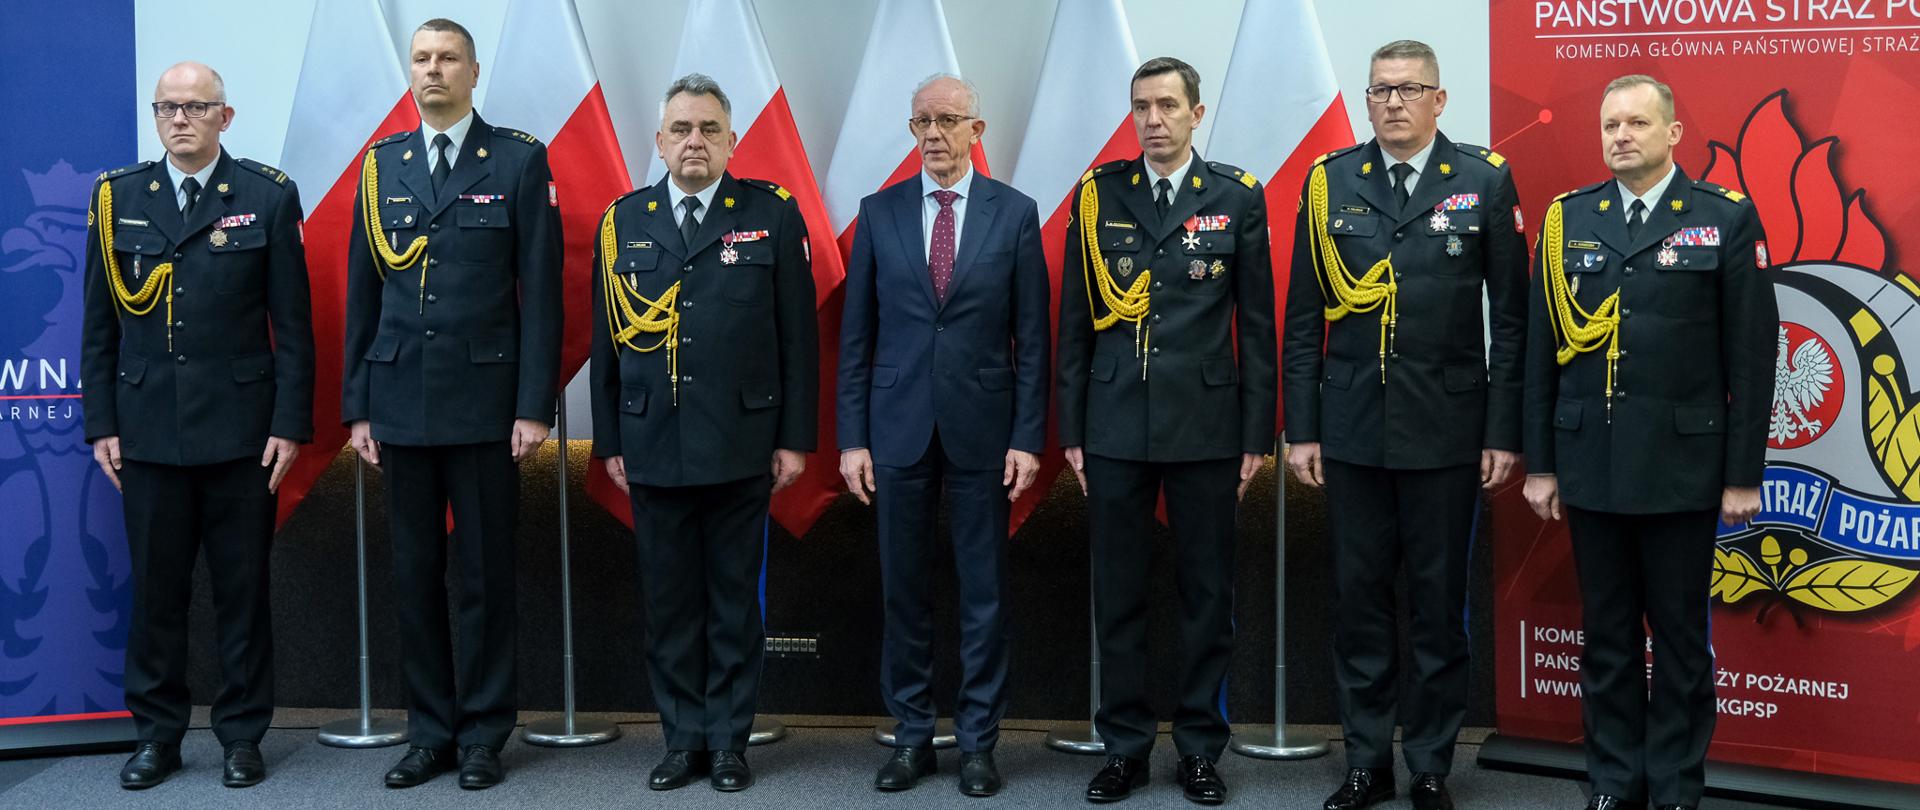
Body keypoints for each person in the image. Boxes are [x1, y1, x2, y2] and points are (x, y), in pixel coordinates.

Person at [1281, 40, 1527, 810]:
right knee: (1358, 601)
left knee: (1435, 603)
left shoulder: (1483, 180)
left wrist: (1502, 429)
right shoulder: (1329, 184)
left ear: (1439, 100)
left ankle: (1428, 764)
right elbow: (1299, 321)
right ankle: (1365, 762)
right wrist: (1303, 428)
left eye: (1409, 89)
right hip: (1351, 430)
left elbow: (1513, 323)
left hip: (1448, 430)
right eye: (1380, 90)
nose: (1392, 102)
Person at [1522, 74, 1774, 810]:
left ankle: (1672, 786)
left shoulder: (1722, 217)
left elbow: (1754, 357)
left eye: (1637, 122)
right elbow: (1542, 354)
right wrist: (1541, 465)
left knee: (1680, 641)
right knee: (1604, 638)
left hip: (1683, 467)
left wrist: (1741, 475)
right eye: (1610, 125)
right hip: (1591, 463)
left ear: (1674, 134)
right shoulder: (1569, 219)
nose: (1621, 136)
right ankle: (1612, 780)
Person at [340, 17, 561, 790]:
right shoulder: (381, 166)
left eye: (447, 59)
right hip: (399, 399)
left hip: (486, 403)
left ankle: (483, 734)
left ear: (473, 73)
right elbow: (361, 295)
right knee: (413, 574)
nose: (432, 70)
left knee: (485, 575)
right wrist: (358, 407)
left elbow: (542, 292)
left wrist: (535, 405)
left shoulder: (518, 160)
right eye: (421, 59)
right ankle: (428, 731)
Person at [81, 61, 314, 790]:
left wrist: (290, 423)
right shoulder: (118, 197)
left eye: (194, 107)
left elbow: (296, 328)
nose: (179, 119)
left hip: (243, 435)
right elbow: (98, 327)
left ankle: (242, 736)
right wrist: (101, 424)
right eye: (167, 107)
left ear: (225, 117)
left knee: (242, 593)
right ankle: (157, 736)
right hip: (147, 430)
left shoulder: (265, 197)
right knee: (157, 593)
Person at [589, 72, 818, 794]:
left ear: (732, 140)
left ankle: (728, 741)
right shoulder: (623, 220)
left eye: (709, 129)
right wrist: (610, 442)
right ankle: (681, 739)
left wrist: (793, 438)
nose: (695, 141)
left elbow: (798, 341)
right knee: (669, 605)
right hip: (653, 443)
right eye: (682, 129)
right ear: (659, 142)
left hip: (741, 444)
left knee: (731, 604)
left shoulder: (772, 216)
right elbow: (608, 345)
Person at [1056, 56, 1276, 806]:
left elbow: (1258, 327)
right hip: (1114, 425)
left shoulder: (1237, 197)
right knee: (1116, 594)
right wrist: (1072, 428)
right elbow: (1075, 325)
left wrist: (1257, 436)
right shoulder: (1098, 196)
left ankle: (1199, 750)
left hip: (1208, 428)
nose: (1153, 119)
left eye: (1167, 106)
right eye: (1142, 106)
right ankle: (1122, 748)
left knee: (1207, 596)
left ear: (1196, 113)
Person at [837, 73, 1050, 798]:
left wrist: (1027, 437)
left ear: (976, 131)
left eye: (948, 120)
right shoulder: (879, 211)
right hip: (894, 434)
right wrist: (852, 438)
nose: (933, 133)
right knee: (904, 593)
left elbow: (1032, 339)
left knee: (984, 595)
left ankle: (981, 743)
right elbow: (856, 338)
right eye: (922, 121)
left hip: (984, 436)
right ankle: (912, 738)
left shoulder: (1015, 214)